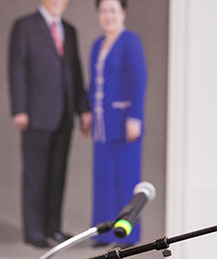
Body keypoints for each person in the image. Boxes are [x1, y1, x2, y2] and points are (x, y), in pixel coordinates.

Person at [9, 0, 92, 248]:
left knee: (57, 175)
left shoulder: (69, 29)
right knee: (36, 174)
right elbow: (17, 69)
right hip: (36, 114)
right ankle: (34, 231)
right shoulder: (25, 26)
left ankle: (53, 229)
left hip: (64, 114)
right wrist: (19, 109)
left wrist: (83, 109)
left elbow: (75, 73)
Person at [88, 0, 148, 246]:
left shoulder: (130, 40)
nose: (108, 16)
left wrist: (135, 117)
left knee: (125, 179)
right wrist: (86, 114)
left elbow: (139, 80)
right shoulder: (96, 45)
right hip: (102, 126)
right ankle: (103, 234)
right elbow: (92, 85)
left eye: (113, 10)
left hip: (125, 125)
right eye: (104, 11)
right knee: (103, 180)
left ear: (123, 12)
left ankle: (127, 235)